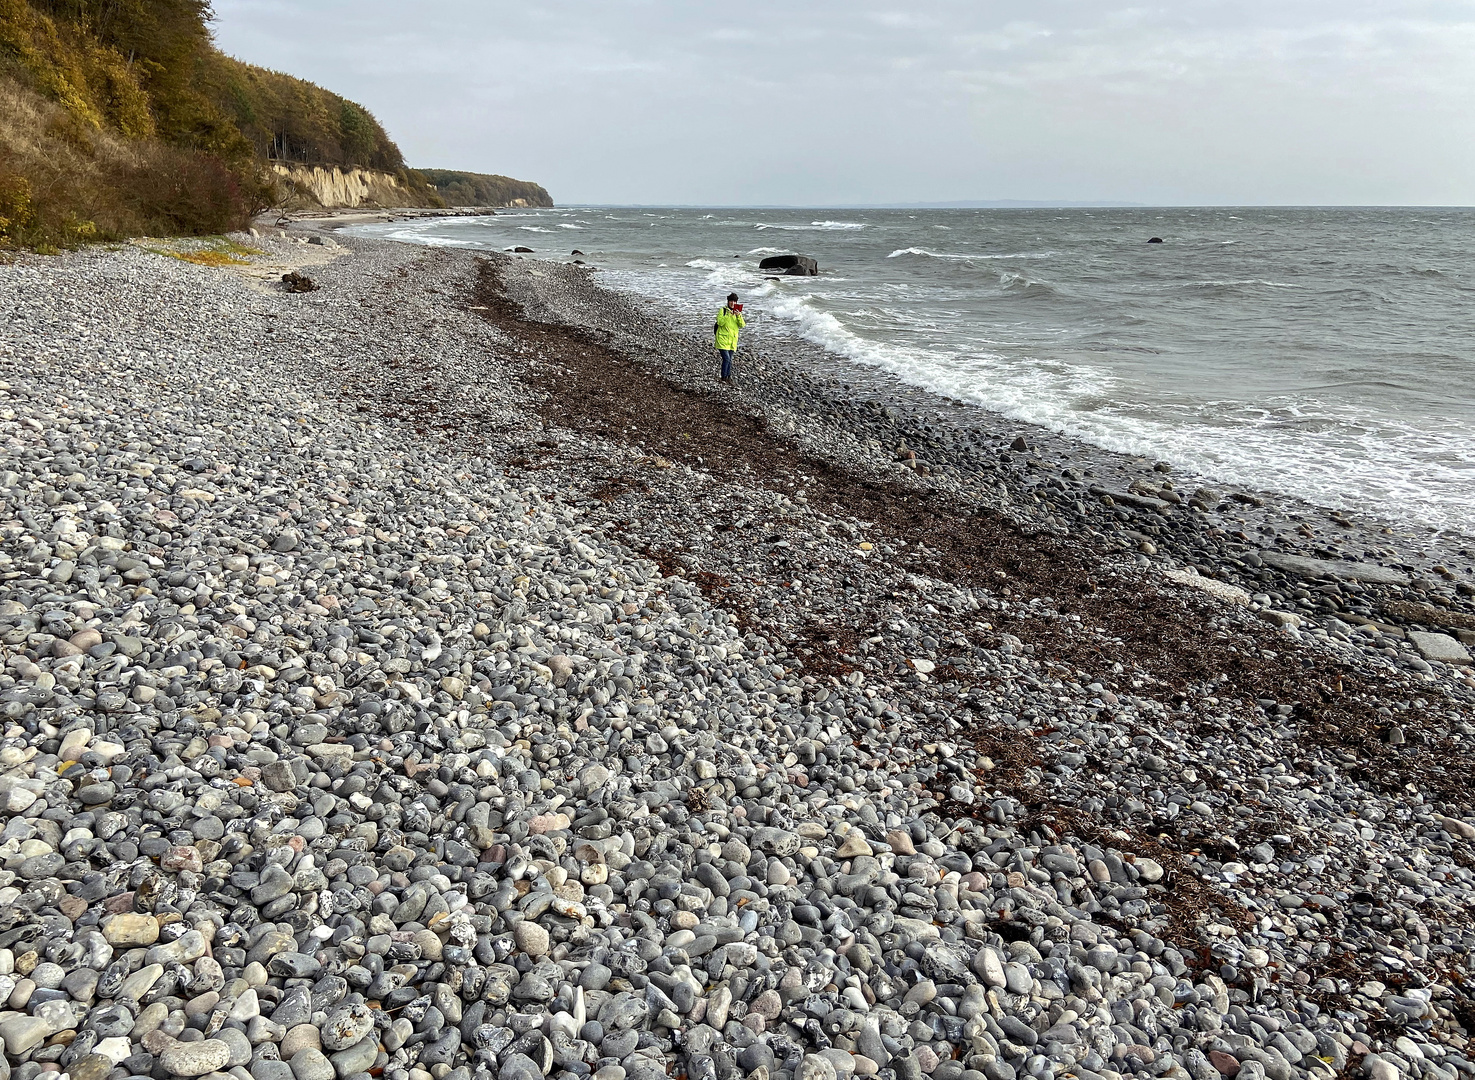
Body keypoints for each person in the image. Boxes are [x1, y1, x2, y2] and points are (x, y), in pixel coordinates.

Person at [713, 292, 746, 383]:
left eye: (734, 301)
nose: (733, 303)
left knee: (730, 360)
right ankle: (723, 377)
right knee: (726, 359)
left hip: (732, 341)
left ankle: (728, 376)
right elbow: (720, 322)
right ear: (728, 301)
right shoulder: (723, 310)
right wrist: (729, 315)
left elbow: (742, 325)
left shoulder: (737, 313)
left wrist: (738, 315)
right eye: (731, 301)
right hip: (722, 339)